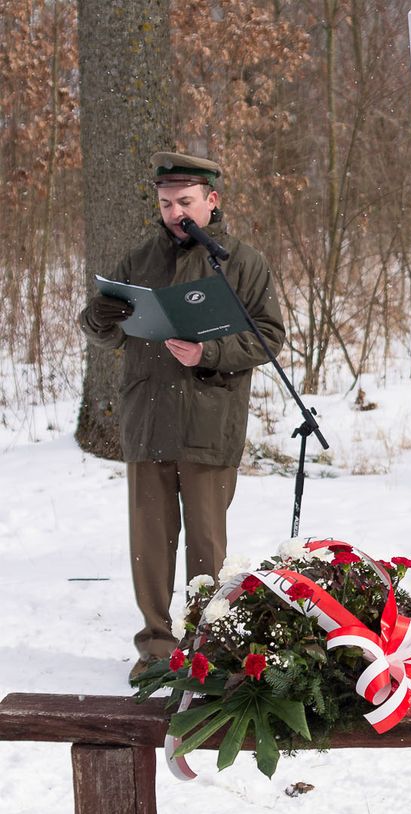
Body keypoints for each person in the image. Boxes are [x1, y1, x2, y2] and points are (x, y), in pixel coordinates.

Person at [79, 152, 285, 680]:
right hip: (148, 417)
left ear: (212, 202)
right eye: (167, 203)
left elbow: (270, 337)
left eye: (186, 202)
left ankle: (206, 645)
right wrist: (100, 318)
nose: (175, 213)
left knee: (206, 540)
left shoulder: (242, 261)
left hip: (209, 419)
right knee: (149, 540)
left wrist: (209, 353)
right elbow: (103, 327)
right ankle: (154, 646)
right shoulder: (139, 259)